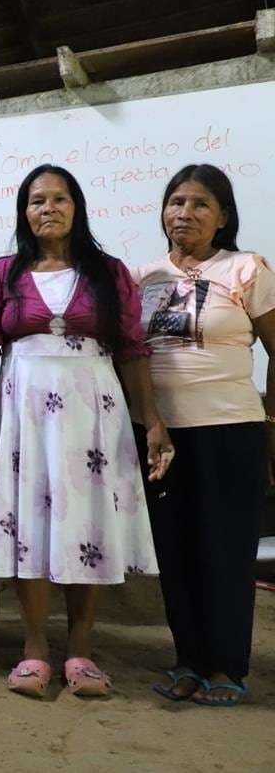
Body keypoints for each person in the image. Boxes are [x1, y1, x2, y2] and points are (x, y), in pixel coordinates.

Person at [0, 164, 170, 699]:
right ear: (23, 211)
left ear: (77, 207)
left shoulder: (109, 272)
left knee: (86, 522)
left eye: (58, 198)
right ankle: (34, 651)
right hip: (22, 414)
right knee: (27, 524)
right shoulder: (3, 273)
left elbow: (133, 351)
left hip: (93, 414)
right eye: (36, 200)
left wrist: (153, 422)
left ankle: (80, 650)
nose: (47, 208)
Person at [131, 165, 275, 706]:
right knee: (176, 551)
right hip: (160, 437)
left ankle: (227, 667)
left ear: (223, 217)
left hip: (230, 431)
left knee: (226, 551)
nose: (184, 213)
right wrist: (146, 423)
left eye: (199, 204)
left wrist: (272, 425)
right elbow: (132, 356)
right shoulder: (141, 276)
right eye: (175, 202)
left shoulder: (246, 268)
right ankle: (187, 660)